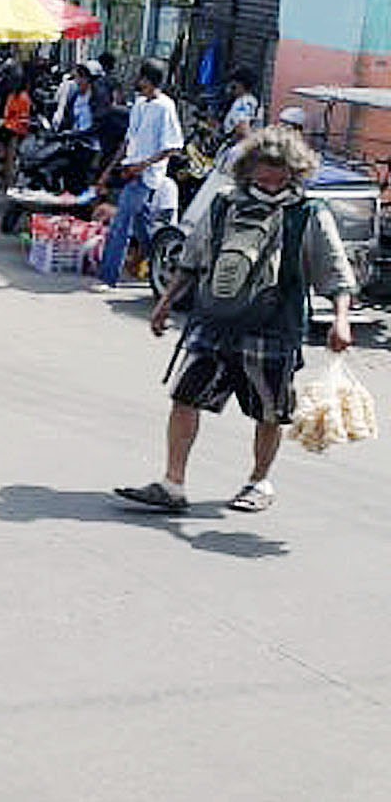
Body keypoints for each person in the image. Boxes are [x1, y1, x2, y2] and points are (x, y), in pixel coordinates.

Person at [114, 124, 355, 515]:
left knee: (269, 411)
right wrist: (164, 304)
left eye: (280, 180)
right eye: (263, 179)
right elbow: (193, 258)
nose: (271, 186)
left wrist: (340, 320)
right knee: (184, 397)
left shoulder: (309, 214)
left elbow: (336, 272)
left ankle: (259, 481)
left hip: (274, 330)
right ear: (247, 173)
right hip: (213, 323)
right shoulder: (225, 204)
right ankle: (172, 483)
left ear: (296, 174)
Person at [95, 60, 184, 287]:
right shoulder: (140, 104)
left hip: (147, 176)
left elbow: (172, 147)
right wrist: (108, 171)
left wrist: (142, 165)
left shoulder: (166, 107)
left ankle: (108, 277)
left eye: (140, 77)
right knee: (142, 225)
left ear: (148, 79)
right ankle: (156, 263)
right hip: (130, 170)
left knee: (120, 224)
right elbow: (128, 141)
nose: (136, 80)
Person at [221, 69, 262, 144]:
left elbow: (242, 129)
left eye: (234, 85)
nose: (231, 88)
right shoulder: (253, 100)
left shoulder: (242, 103)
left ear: (240, 85)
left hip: (237, 147)